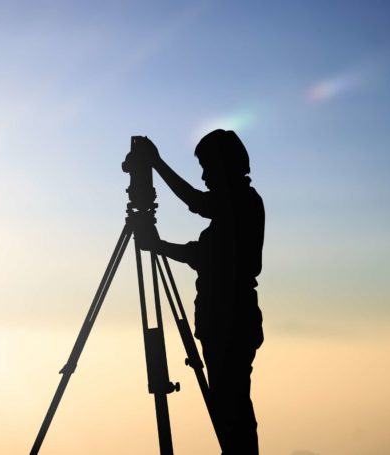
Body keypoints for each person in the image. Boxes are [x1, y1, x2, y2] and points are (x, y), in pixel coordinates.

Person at [138, 130, 264, 455]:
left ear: (224, 165)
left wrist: (156, 164)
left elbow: (199, 210)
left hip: (230, 322)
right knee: (228, 407)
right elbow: (205, 254)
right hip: (225, 322)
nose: (206, 176)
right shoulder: (240, 205)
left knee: (231, 408)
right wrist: (161, 247)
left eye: (208, 167)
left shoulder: (241, 203)